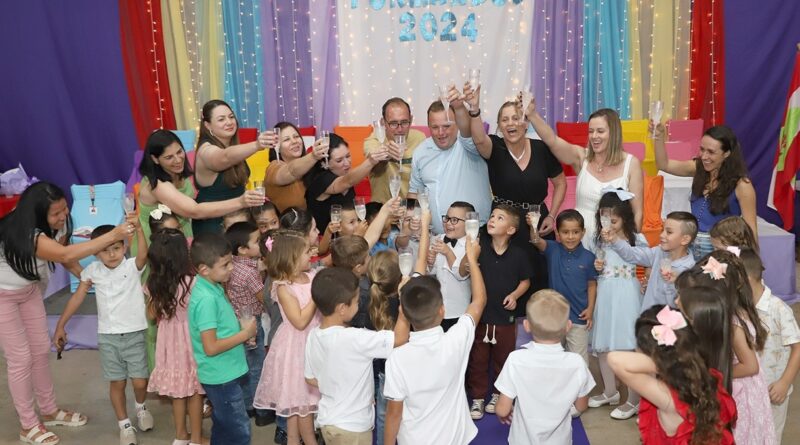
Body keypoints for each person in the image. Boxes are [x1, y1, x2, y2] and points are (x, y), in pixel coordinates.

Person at [0, 182, 133, 445]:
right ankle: (28, 425)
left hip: (28, 292)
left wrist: (87, 279)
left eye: (64, 210)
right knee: (20, 359)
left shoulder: (51, 226)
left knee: (40, 350)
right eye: (56, 213)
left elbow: (65, 259)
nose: (63, 217)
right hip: (4, 296)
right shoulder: (29, 233)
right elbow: (63, 253)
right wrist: (112, 234)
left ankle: (48, 411)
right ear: (38, 213)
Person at [464, 83, 566, 303]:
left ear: (526, 122)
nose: (511, 123)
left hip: (537, 224)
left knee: (540, 284)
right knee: (504, 283)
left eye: (516, 117)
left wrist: (552, 215)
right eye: (505, 119)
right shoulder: (496, 147)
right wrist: (474, 109)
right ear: (499, 126)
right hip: (503, 225)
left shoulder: (541, 149)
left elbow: (560, 183)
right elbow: (479, 139)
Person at [53, 223, 153, 445]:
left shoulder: (131, 266)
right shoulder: (92, 272)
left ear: (125, 247)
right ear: (95, 252)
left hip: (135, 333)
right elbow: (78, 297)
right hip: (108, 337)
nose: (111, 254)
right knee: (117, 383)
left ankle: (141, 407)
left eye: (116, 248)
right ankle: (125, 425)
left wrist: (138, 230)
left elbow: (144, 254)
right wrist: (61, 324)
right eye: (105, 249)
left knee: (139, 381)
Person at [383, 237, 486, 445]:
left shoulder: (397, 357)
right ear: (442, 311)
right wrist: (472, 260)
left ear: (405, 313)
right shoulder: (455, 340)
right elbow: (479, 301)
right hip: (454, 438)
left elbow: (394, 413)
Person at [304, 267, 410, 445]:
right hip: (353, 427)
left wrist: (338, 383)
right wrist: (403, 306)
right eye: (356, 301)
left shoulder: (313, 335)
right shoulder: (354, 338)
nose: (359, 304)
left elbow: (310, 379)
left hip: (328, 421)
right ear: (342, 309)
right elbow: (399, 338)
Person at [608, 305, 737, 444]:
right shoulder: (703, 378)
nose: (635, 350)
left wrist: (666, 362)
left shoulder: (667, 396)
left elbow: (614, 359)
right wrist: (677, 359)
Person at [525, 101, 644, 247]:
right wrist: (532, 114)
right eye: (590, 131)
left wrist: (628, 247)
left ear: (614, 133)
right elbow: (552, 141)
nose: (594, 136)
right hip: (579, 243)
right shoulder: (581, 157)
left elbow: (637, 213)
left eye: (600, 131)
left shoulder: (631, 164)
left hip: (615, 246)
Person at [494, 290, 595, 445]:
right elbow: (581, 405)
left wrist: (503, 413)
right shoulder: (576, 363)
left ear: (526, 325)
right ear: (568, 326)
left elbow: (502, 409)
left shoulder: (516, 359)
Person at [188, 233, 257, 445]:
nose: (231, 269)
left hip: (226, 371)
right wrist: (244, 334)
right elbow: (210, 347)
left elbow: (220, 329)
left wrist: (241, 330)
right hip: (221, 376)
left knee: (224, 425)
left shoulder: (212, 286)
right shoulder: (207, 299)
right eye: (226, 265)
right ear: (204, 269)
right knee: (238, 431)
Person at [253, 230, 321, 445]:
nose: (310, 254)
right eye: (305, 252)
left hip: (313, 344)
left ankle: (294, 440)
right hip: (296, 349)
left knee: (296, 409)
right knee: (302, 408)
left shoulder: (311, 276)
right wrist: (316, 295)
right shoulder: (283, 288)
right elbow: (299, 322)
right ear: (291, 258)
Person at [137, 129, 264, 242]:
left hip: (183, 236)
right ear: (155, 159)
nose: (178, 159)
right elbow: (195, 211)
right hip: (160, 243)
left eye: (179, 152)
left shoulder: (181, 173)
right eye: (169, 157)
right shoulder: (158, 185)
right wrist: (241, 202)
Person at [465, 205, 531, 420]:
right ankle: (477, 398)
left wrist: (514, 295)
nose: (493, 219)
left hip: (505, 318)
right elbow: (463, 270)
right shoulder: (480, 247)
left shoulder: (519, 254)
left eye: (500, 218)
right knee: (478, 360)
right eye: (492, 216)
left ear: (511, 229)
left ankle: (497, 395)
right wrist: (470, 254)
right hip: (481, 316)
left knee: (503, 359)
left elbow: (525, 281)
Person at [653, 124, 757, 259]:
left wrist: (751, 268)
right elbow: (664, 164)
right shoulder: (698, 168)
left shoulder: (742, 185)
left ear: (727, 153)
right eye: (702, 150)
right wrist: (659, 137)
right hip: (690, 247)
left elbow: (750, 230)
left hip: (720, 250)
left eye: (711, 152)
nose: (704, 156)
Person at [587, 189, 645, 420]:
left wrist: (647, 278)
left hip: (628, 295)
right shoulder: (596, 240)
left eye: (614, 219)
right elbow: (594, 265)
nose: (609, 224)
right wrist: (597, 266)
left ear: (625, 218)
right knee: (604, 345)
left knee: (628, 345)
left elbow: (646, 259)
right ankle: (610, 391)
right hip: (606, 294)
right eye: (604, 218)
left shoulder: (636, 238)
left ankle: (634, 399)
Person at [145, 229, 205, 445]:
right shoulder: (194, 282)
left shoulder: (154, 283)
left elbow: (151, 315)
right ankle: (197, 439)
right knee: (196, 391)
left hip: (168, 340)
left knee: (178, 392)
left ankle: (180, 436)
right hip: (191, 338)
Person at [407, 95, 492, 235]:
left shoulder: (470, 144)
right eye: (435, 127)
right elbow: (414, 193)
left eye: (446, 126)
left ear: (458, 123)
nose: (441, 133)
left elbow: (471, 132)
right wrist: (410, 219)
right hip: (437, 239)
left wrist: (460, 107)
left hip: (474, 236)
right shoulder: (420, 152)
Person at [742, 248, 800, 440]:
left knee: (770, 436)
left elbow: (797, 347)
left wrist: (784, 382)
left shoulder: (778, 309)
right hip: (746, 389)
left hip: (773, 391)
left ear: (747, 281)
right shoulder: (739, 307)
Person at [192, 100, 273, 235]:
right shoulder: (205, 150)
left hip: (241, 220)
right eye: (221, 119)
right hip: (215, 225)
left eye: (231, 117)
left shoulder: (233, 147)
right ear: (207, 125)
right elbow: (224, 157)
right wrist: (257, 145)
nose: (229, 122)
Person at [531, 210, 597, 364]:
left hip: (579, 319)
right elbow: (535, 240)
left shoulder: (589, 257)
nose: (570, 236)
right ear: (558, 233)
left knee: (578, 362)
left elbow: (592, 284)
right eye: (565, 232)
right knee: (553, 361)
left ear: (583, 232)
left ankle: (578, 389)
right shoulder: (553, 249)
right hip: (553, 318)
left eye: (575, 232)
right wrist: (533, 224)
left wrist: (591, 309)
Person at [224, 222, 273, 426]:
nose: (260, 242)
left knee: (244, 366)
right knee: (256, 367)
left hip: (237, 322)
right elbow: (264, 298)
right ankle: (259, 409)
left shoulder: (233, 265)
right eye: (256, 241)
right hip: (252, 324)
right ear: (243, 249)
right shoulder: (249, 273)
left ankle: (246, 406)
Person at [602, 211, 697, 312]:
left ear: (685, 239)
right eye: (662, 230)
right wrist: (615, 239)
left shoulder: (690, 270)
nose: (662, 235)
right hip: (646, 319)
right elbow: (632, 254)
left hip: (666, 324)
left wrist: (671, 283)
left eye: (669, 232)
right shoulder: (658, 252)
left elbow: (680, 305)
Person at [305, 133, 389, 233]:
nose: (347, 163)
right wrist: (370, 161)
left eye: (348, 156)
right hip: (326, 241)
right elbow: (347, 181)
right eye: (339, 160)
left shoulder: (344, 173)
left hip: (347, 236)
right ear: (324, 164)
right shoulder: (321, 180)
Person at [364, 97, 427, 202]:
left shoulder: (420, 138)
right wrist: (387, 154)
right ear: (383, 122)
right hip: (382, 210)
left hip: (412, 208)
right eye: (393, 123)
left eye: (404, 122)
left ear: (411, 120)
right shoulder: (374, 140)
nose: (400, 129)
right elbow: (374, 160)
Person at [427, 201, 473, 331]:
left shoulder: (471, 246)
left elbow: (461, 274)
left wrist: (447, 252)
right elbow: (431, 272)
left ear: (469, 224)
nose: (448, 223)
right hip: (436, 311)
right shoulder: (438, 239)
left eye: (454, 220)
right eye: (446, 218)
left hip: (459, 311)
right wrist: (430, 263)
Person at [265, 122, 330, 212]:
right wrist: (313, 156)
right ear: (277, 147)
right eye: (286, 139)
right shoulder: (274, 167)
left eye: (296, 136)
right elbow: (291, 171)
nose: (294, 141)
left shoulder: (310, 165)